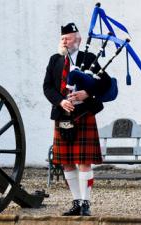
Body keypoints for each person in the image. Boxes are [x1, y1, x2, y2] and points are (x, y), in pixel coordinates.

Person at [43, 22, 110, 216]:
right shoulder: (54, 60)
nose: (64, 41)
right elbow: (47, 87)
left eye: (68, 38)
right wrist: (60, 102)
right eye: (62, 38)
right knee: (67, 162)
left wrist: (87, 93)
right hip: (62, 114)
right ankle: (76, 202)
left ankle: (86, 203)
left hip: (83, 114)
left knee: (84, 161)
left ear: (78, 40)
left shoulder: (88, 58)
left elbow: (104, 82)